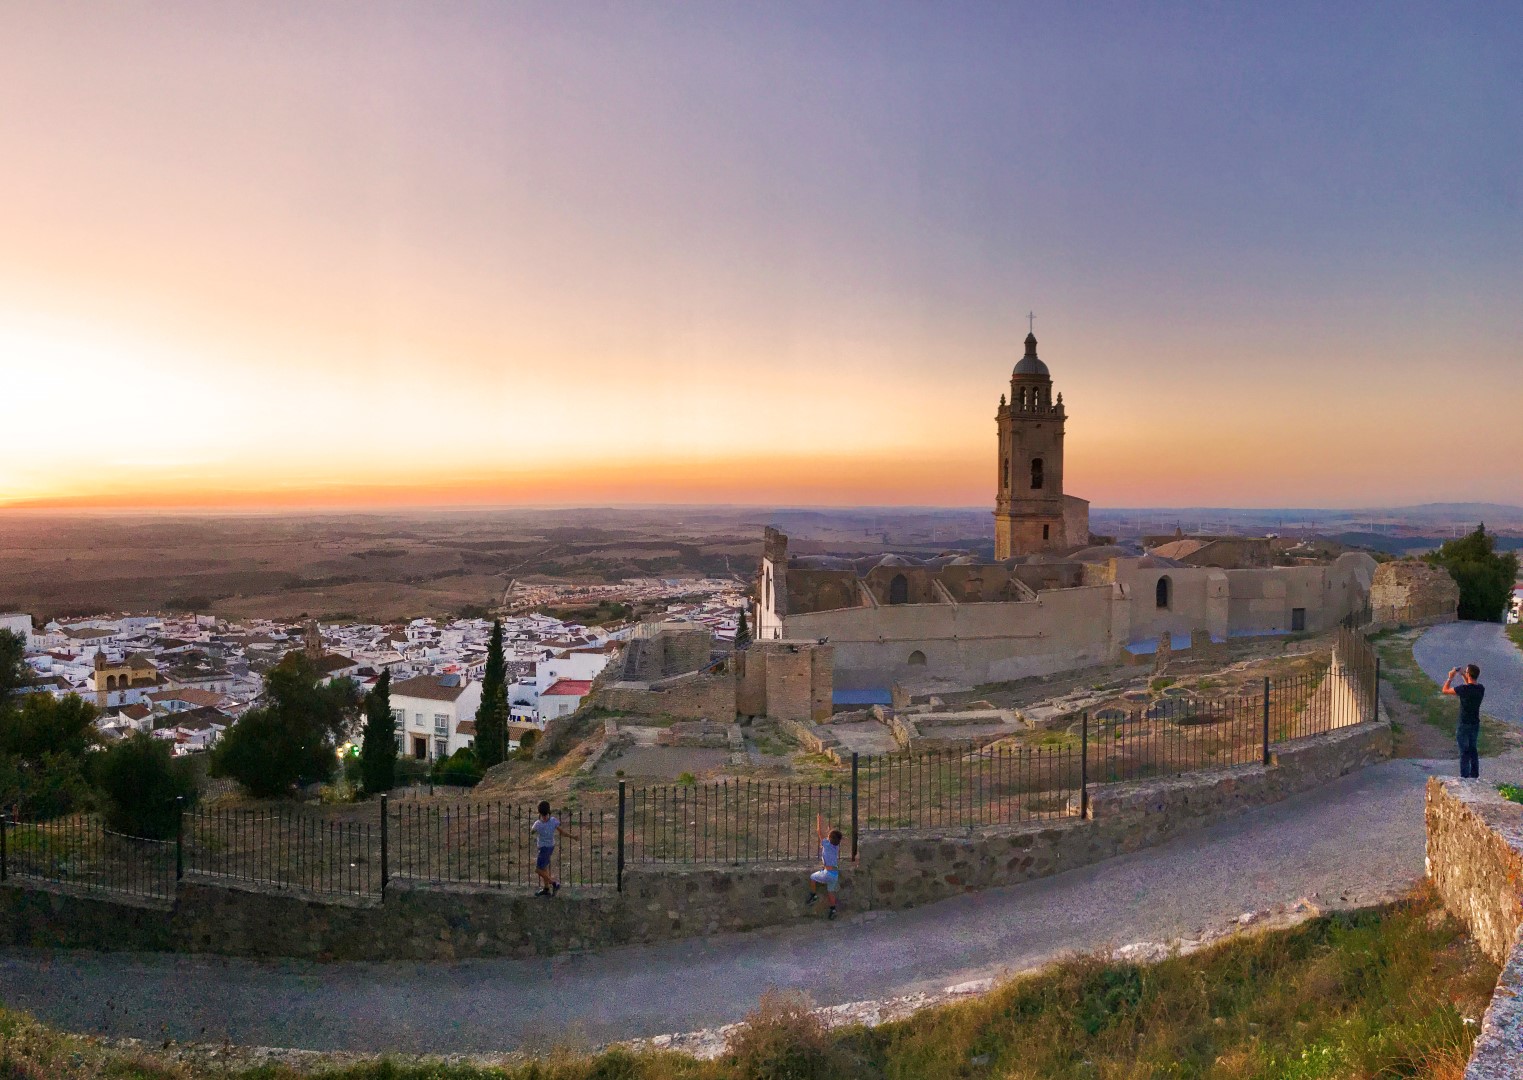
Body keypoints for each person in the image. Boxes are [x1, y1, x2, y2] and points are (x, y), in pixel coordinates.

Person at [804, 813, 853, 920]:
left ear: (829, 838)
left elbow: (819, 832)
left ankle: (813, 895)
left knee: (812, 877)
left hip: (827, 873)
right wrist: (830, 829)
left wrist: (818, 820)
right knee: (830, 892)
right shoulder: (836, 846)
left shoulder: (826, 844)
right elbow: (831, 837)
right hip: (835, 874)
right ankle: (833, 909)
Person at [1442, 663, 1485, 779]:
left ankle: (1465, 777)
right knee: (1473, 750)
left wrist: (1450, 677)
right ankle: (1475, 775)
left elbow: (1445, 690)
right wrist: (1463, 674)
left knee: (1464, 752)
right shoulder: (1480, 689)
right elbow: (1470, 684)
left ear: (1468, 674)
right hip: (1475, 723)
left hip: (1464, 724)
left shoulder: (1463, 689)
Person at [530, 800, 577, 896]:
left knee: (538, 870)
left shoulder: (538, 824)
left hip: (543, 848)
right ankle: (546, 888)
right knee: (544, 868)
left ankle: (554, 883)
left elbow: (532, 832)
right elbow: (562, 833)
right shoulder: (553, 821)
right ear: (549, 810)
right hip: (551, 846)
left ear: (539, 812)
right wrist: (573, 837)